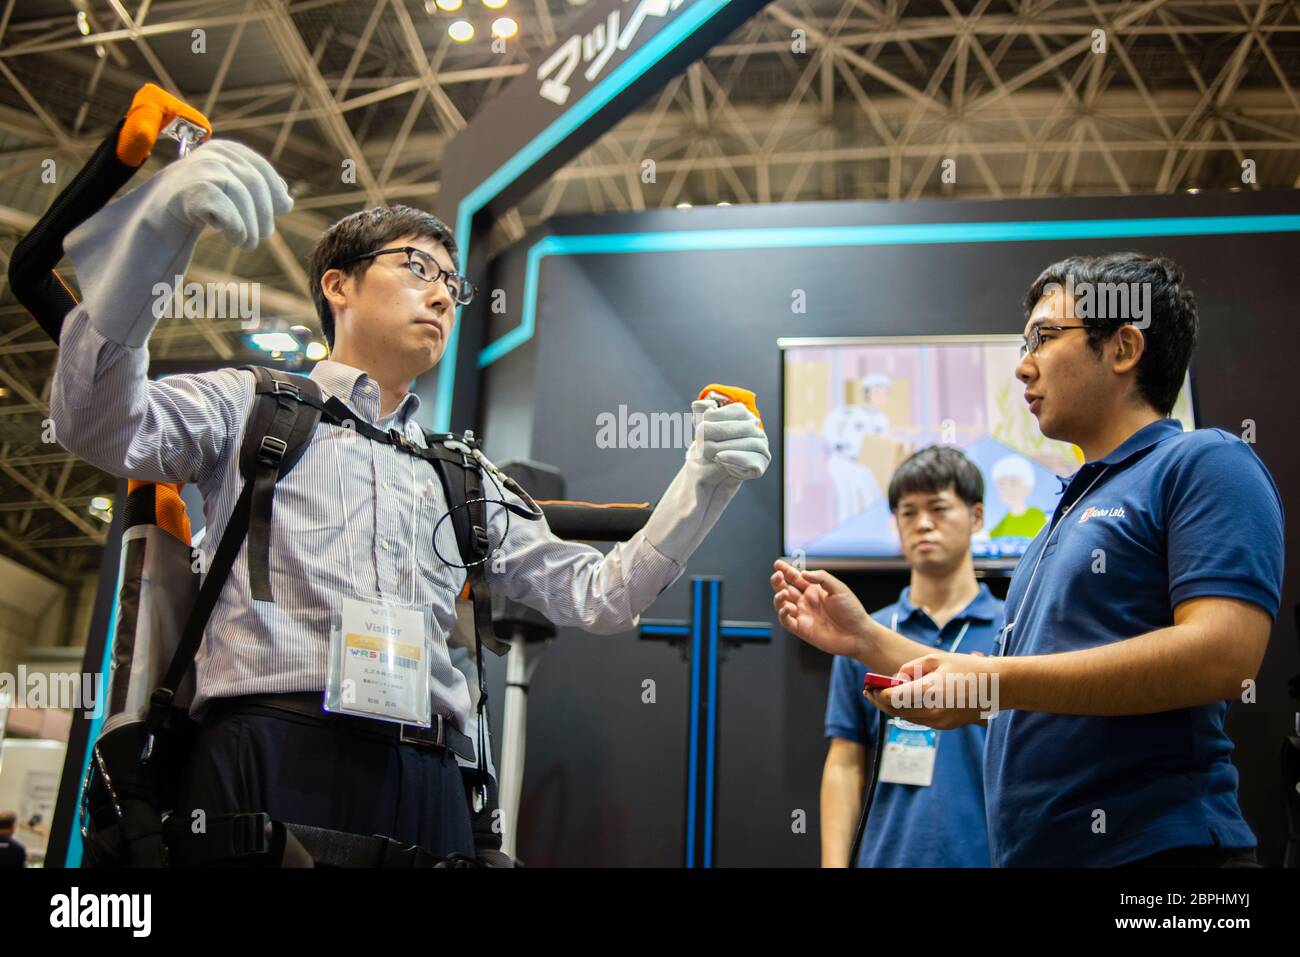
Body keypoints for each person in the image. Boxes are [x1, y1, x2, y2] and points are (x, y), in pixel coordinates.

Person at [49, 139, 770, 862]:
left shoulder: (458, 474)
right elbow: (102, 423)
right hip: (269, 749)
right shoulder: (253, 404)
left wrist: (703, 485)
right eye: (416, 266)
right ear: (338, 285)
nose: (440, 295)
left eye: (452, 285)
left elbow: (600, 596)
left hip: (429, 778)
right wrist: (153, 239)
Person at [785, 252, 1285, 867]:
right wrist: (865, 637)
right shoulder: (1061, 519)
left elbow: (1224, 657)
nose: (1023, 366)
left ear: (1124, 346)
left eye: (1045, 338)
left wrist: (995, 683)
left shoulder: (1206, 463)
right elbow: (994, 681)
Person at [807, 446, 1004, 867]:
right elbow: (845, 763)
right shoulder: (863, 634)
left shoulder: (1014, 631)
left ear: (977, 517)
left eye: (938, 508)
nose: (923, 525)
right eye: (908, 513)